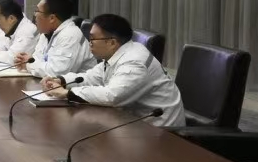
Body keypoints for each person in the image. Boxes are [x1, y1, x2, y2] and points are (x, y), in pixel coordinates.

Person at [42, 14, 185, 127]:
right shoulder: (117, 54)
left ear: (112, 42)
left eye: (92, 39)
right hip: (134, 122)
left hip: (161, 130)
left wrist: (67, 93)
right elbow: (92, 77)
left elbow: (112, 96)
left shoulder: (134, 61)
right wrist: (61, 81)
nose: (89, 43)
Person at [14, 0, 96, 78]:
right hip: (51, 83)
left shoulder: (70, 35)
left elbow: (56, 72)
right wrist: (27, 61)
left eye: (37, 11)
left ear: (52, 18)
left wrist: (28, 64)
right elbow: (38, 59)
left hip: (79, 85)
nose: (35, 15)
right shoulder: (46, 33)